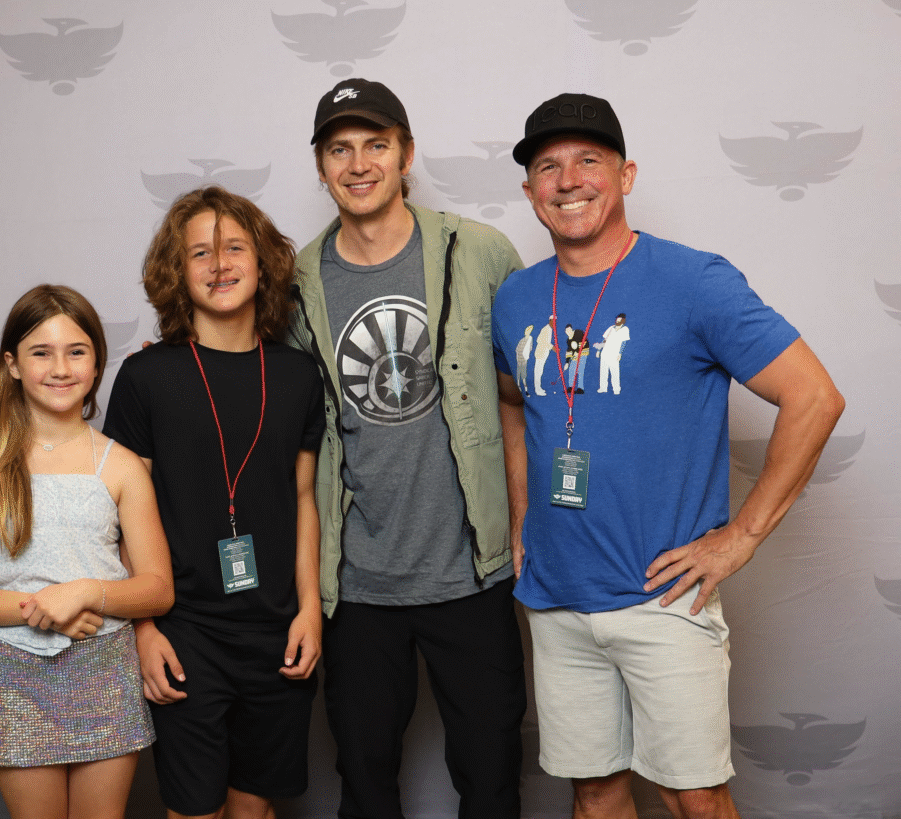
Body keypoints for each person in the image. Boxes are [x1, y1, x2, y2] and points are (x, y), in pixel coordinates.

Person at [492, 93, 844, 819]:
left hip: (663, 598)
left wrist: (741, 536)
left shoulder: (693, 281)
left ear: (626, 176)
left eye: (589, 160)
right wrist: (523, 514)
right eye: (549, 167)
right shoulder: (516, 298)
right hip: (556, 597)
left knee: (696, 799)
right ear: (529, 193)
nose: (569, 180)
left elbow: (815, 397)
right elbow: (513, 401)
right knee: (595, 794)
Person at [288, 78, 527, 819]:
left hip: (473, 571)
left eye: (376, 144)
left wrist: (526, 526)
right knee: (364, 784)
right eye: (340, 149)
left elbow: (525, 400)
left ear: (406, 154)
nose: (359, 164)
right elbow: (280, 418)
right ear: (321, 166)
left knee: (491, 779)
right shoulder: (296, 282)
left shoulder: (479, 252)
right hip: (358, 585)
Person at [104, 186, 325, 819]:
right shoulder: (146, 377)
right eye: (199, 252)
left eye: (234, 249)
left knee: (253, 809)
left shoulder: (298, 375)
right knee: (194, 811)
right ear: (177, 271)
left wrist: (310, 611)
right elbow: (121, 517)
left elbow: (303, 499)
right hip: (184, 630)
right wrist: (144, 630)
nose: (219, 264)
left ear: (263, 263)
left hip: (277, 631)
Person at [0, 284, 174, 819]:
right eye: (41, 352)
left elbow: (157, 588)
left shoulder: (122, 465)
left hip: (105, 671)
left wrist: (85, 592)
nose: (60, 368)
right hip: (16, 676)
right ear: (12, 364)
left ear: (97, 363)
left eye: (76, 351)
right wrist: (41, 609)